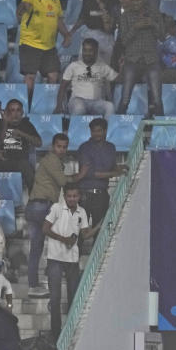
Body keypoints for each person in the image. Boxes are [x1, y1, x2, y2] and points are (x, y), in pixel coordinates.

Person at [26, 133, 80, 298]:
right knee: (58, 240)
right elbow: (64, 182)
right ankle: (56, 276)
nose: (62, 150)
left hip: (35, 206)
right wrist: (82, 174)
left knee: (36, 248)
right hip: (43, 207)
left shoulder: (53, 161)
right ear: (52, 147)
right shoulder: (51, 160)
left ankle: (33, 285)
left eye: (64, 147)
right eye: (59, 146)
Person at [44, 184, 100, 333]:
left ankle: (70, 331)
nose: (72, 199)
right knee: (55, 298)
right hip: (55, 258)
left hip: (72, 259)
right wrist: (63, 239)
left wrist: (99, 226)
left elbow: (85, 235)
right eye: (69, 196)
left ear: (79, 197)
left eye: (75, 196)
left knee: (73, 298)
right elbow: (45, 228)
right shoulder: (56, 208)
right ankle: (56, 333)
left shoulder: (82, 211)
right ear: (65, 196)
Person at [17, 0, 71, 102]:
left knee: (53, 76)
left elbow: (58, 20)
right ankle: (26, 106)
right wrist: (23, 8)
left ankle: (48, 106)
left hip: (49, 46)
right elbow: (23, 6)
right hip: (30, 44)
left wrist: (66, 35)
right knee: (30, 78)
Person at [117, 0, 165, 116]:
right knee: (125, 99)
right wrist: (135, 27)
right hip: (132, 60)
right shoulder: (125, 16)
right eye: (133, 0)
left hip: (151, 60)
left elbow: (162, 37)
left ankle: (161, 130)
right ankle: (116, 128)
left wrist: (153, 24)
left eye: (138, 0)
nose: (136, 3)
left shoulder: (155, 13)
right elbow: (124, 41)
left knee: (157, 99)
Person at [76, 117, 126, 227]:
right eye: (94, 131)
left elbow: (113, 167)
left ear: (105, 131)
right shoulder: (84, 148)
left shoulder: (111, 147)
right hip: (85, 195)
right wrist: (115, 173)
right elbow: (90, 174)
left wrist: (122, 168)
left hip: (102, 195)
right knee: (79, 230)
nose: (96, 134)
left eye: (99, 130)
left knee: (99, 230)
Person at [0, 99, 43, 193]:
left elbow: (39, 143)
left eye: (18, 110)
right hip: (2, 160)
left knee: (26, 166)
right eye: (12, 110)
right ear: (6, 112)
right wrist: (5, 124)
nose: (15, 113)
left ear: (22, 112)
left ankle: (34, 199)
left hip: (19, 162)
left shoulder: (26, 124)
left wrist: (22, 134)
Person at [56, 38, 119, 115]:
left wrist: (122, 67)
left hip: (96, 102)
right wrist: (59, 106)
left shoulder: (102, 66)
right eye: (85, 50)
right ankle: (75, 127)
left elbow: (118, 79)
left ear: (96, 52)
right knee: (79, 108)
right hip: (77, 101)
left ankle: (107, 127)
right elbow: (62, 87)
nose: (87, 53)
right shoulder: (73, 66)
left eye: (90, 50)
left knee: (110, 106)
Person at [68, 0, 119, 64]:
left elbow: (110, 27)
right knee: (86, 68)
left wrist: (102, 7)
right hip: (91, 35)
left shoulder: (113, 0)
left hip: (107, 38)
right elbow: (83, 17)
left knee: (105, 71)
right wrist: (71, 32)